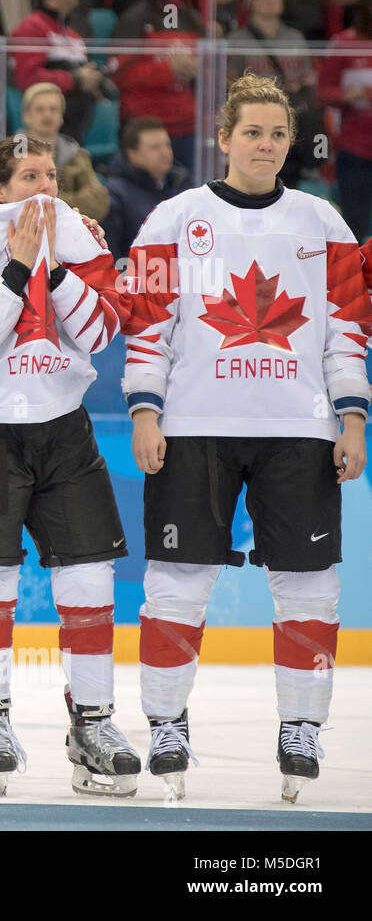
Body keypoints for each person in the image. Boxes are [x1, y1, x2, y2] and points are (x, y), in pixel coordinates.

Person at [122, 74, 370, 803]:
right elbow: (148, 324)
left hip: (302, 430)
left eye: (278, 134)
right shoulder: (173, 219)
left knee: (310, 590)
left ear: (292, 143)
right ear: (223, 138)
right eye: (251, 132)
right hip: (194, 429)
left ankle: (301, 725)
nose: (265, 145)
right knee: (175, 587)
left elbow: (347, 334)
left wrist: (352, 418)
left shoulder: (324, 224)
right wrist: (145, 411)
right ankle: (167, 722)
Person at [0, 134, 141, 797]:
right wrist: (17, 269)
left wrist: (51, 269)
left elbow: (103, 332)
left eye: (50, 174)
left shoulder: (82, 237)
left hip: (60, 427)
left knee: (88, 573)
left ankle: (94, 723)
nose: (43, 187)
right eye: (27, 175)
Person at [227, 0, 322, 188]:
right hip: (254, 118)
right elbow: (230, 85)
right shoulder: (238, 40)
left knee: (290, 183)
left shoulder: (295, 37)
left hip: (292, 118)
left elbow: (308, 81)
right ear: (251, 2)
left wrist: (300, 91)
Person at [112, 0, 205, 173]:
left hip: (188, 125)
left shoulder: (194, 18)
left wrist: (201, 69)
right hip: (144, 124)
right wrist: (168, 69)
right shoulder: (134, 18)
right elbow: (121, 74)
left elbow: (213, 72)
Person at [10, 0, 109, 144]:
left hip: (77, 130)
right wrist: (74, 79)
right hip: (44, 133)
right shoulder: (31, 27)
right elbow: (27, 78)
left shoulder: (73, 35)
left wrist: (93, 81)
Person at [317, 0, 372, 242]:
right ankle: (353, 277)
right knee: (354, 224)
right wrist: (350, 94)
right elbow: (323, 91)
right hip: (355, 147)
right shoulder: (344, 43)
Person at [102, 117, 192, 261]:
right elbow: (112, 254)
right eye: (155, 147)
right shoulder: (113, 194)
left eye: (167, 145)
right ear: (132, 155)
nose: (165, 152)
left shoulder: (183, 184)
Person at [19, 82, 110, 220]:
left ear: (61, 115)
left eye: (53, 109)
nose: (47, 115)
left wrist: (45, 199)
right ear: (26, 116)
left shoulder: (77, 153)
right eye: (40, 109)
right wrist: (76, 198)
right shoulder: (11, 154)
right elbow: (18, 202)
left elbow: (98, 203)